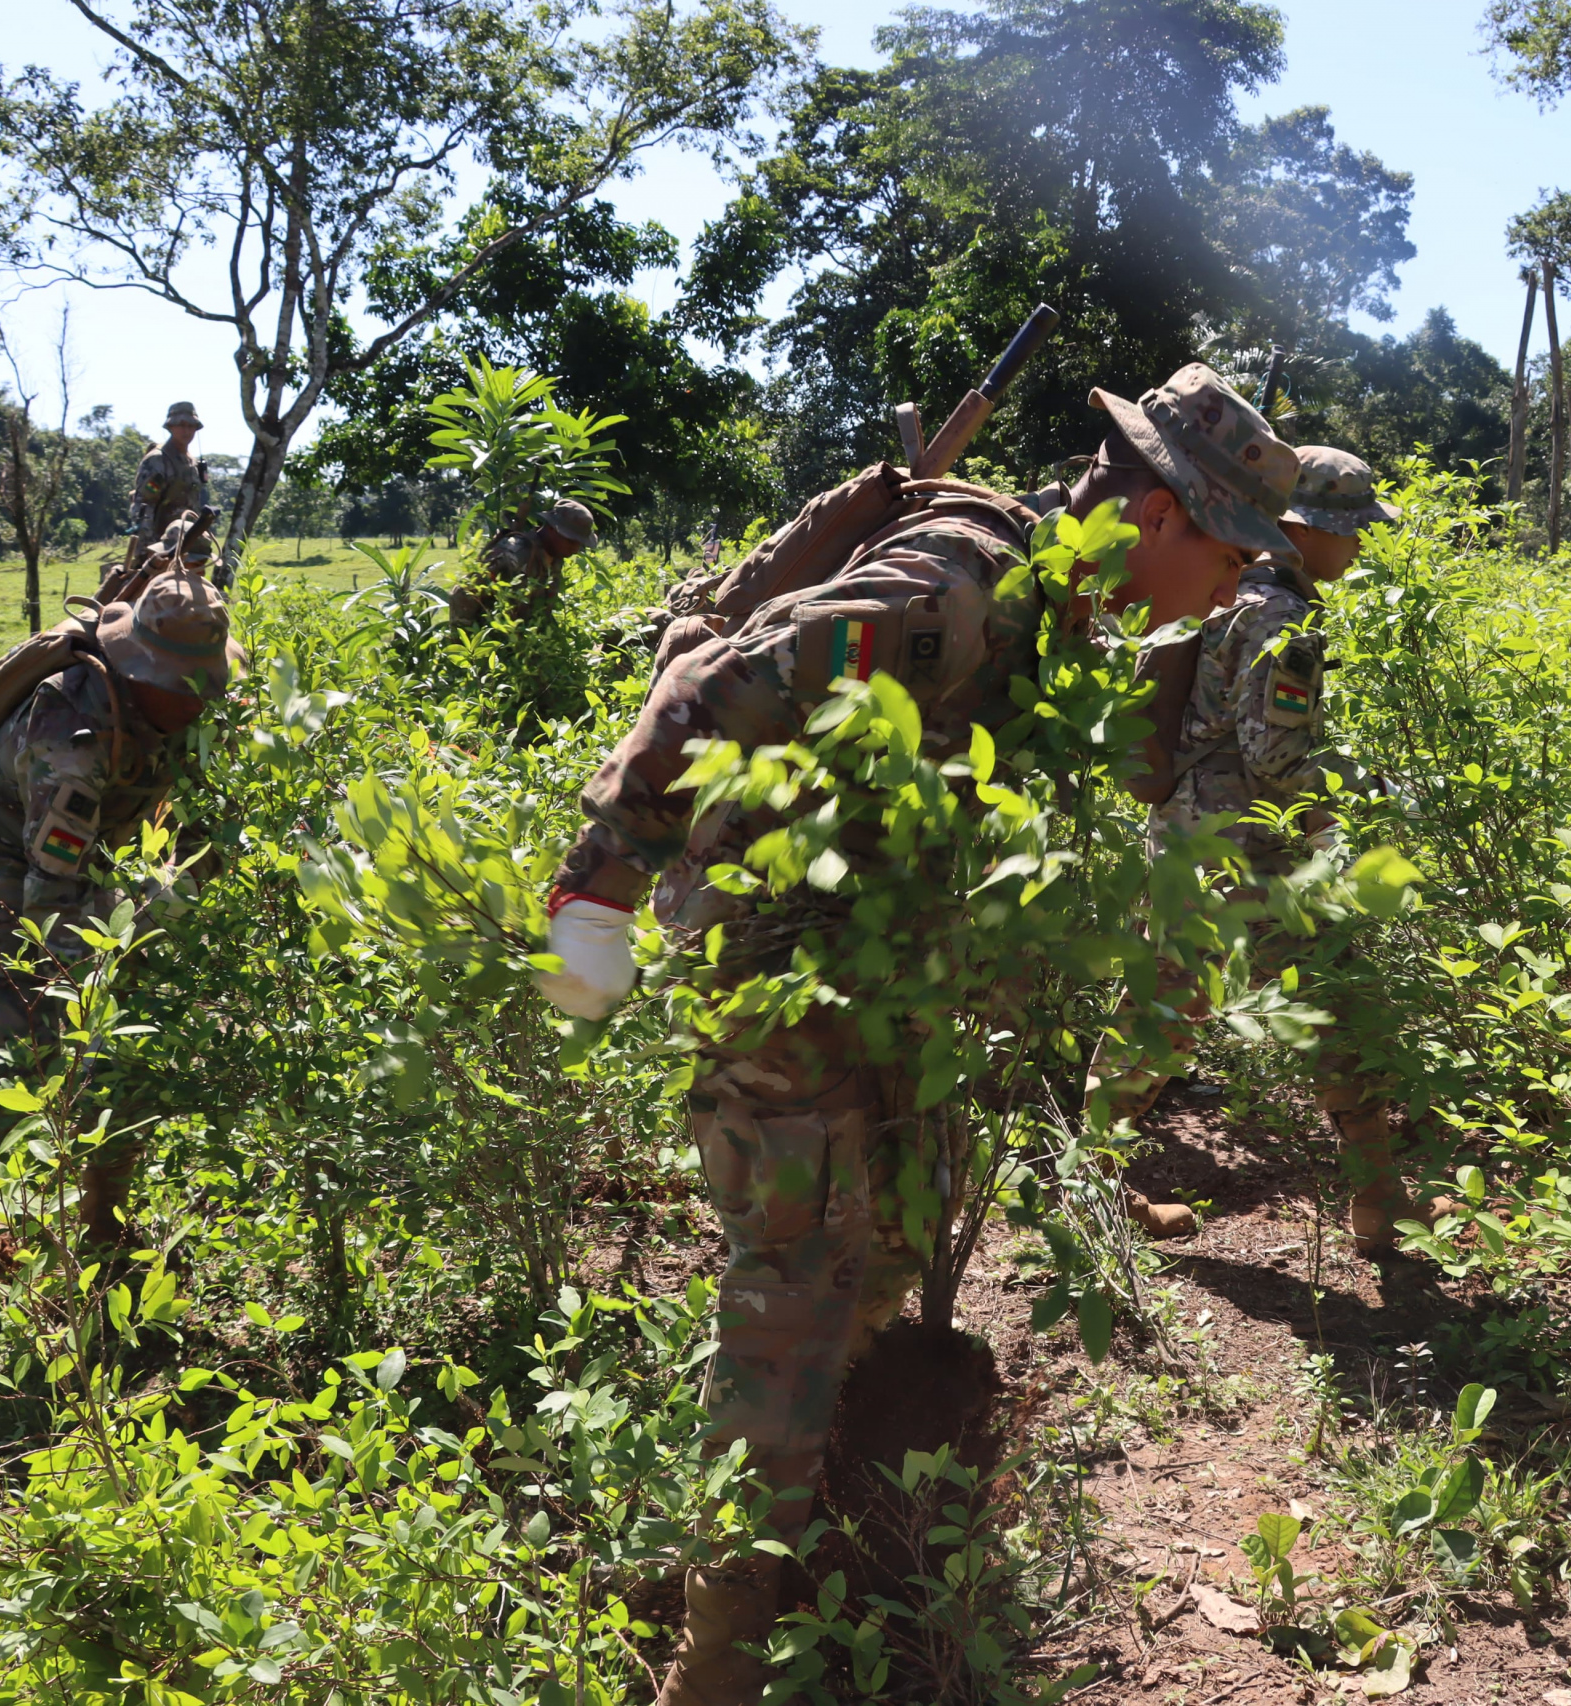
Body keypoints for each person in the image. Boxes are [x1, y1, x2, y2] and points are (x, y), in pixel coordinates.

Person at [535, 364, 1297, 1706]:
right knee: (794, 1288)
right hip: (783, 951)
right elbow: (720, 679)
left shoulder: (1059, 609)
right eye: (1231, 552)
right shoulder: (960, 586)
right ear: (1160, 515)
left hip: (886, 957)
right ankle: (718, 1658)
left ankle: (801, 1534)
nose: (1236, 586)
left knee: (887, 1242)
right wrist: (594, 887)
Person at [0, 555, 242, 1336]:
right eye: (187, 689)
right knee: (21, 1056)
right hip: (0, 878)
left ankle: (104, 1226)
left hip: (96, 869)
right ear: (145, 675)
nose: (204, 702)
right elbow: (51, 908)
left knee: (129, 1049)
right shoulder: (74, 745)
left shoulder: (172, 706)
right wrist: (123, 942)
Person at [1107, 445, 1421, 1253]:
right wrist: (1371, 787)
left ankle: (1085, 1190)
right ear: (1300, 530)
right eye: (1348, 527)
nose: (1358, 542)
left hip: (1191, 838)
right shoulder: (1282, 616)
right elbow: (1275, 755)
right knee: (1337, 1006)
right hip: (1248, 851)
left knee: (1161, 1013)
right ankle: (1380, 1202)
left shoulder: (1229, 591)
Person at [446, 498, 597, 628]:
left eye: (579, 542)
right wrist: (467, 644)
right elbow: (464, 592)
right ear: (552, 528)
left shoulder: (556, 560)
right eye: (571, 540)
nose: (576, 548)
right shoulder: (513, 553)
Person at [124, 403, 209, 577]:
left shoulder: (192, 462)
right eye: (181, 425)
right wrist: (146, 551)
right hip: (160, 546)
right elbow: (144, 506)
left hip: (187, 546)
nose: (186, 431)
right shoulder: (158, 460)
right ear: (170, 427)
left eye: (191, 426)